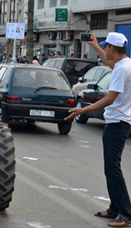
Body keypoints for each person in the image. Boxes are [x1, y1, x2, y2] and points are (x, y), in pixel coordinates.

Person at [65, 32, 131, 227]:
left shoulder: (122, 69)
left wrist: (82, 110)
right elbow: (110, 63)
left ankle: (125, 212)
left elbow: (110, 98)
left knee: (112, 168)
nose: (106, 50)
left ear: (112, 48)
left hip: (117, 122)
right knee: (110, 168)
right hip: (121, 121)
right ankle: (115, 208)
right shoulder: (125, 64)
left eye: (106, 47)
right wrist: (95, 46)